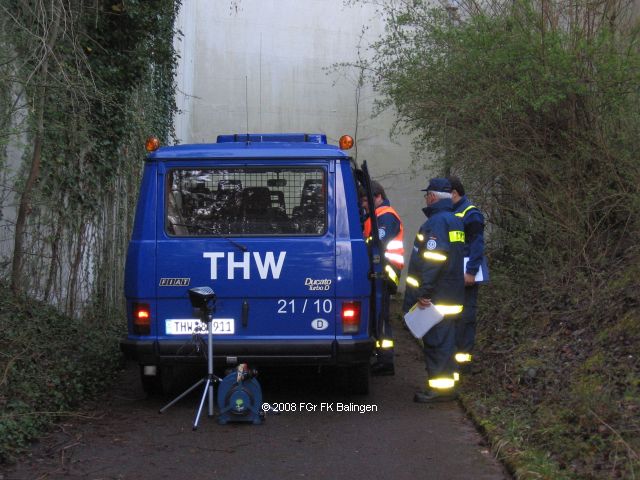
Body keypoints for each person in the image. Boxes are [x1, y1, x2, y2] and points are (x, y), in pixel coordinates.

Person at [403, 178, 465, 402]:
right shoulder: (455, 220)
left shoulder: (436, 223)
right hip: (451, 293)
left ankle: (439, 390)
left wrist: (425, 293)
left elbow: (433, 259)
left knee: (437, 343)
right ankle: (448, 385)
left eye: (427, 195)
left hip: (436, 297)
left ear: (433, 197)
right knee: (447, 341)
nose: (426, 199)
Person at [360, 180, 404, 376]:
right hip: (379, 273)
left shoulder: (386, 217)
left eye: (365, 200)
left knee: (382, 319)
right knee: (378, 317)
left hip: (385, 274)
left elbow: (377, 244)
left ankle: (386, 361)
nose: (363, 204)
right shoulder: (375, 216)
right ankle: (381, 356)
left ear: (377, 196)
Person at [448, 176, 487, 373]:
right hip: (454, 276)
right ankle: (454, 358)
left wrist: (471, 271)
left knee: (466, 318)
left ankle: (463, 363)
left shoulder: (470, 214)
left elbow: (477, 244)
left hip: (466, 276)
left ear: (454, 193)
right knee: (454, 317)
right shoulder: (452, 213)